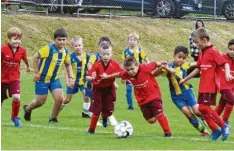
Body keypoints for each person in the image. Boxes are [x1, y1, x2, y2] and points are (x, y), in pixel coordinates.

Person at [180, 28, 233, 141]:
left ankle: (224, 126)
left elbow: (225, 64)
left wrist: (227, 73)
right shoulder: (201, 53)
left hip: (210, 86)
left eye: (197, 42)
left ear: (204, 40)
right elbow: (198, 69)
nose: (196, 45)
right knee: (202, 110)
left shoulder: (213, 52)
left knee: (204, 107)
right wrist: (186, 79)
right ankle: (215, 130)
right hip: (202, 86)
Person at [101, 57, 172, 137]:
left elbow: (156, 63)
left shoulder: (145, 67)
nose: (130, 72)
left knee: (159, 114)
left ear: (137, 65)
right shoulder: (127, 74)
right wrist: (107, 76)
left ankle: (168, 133)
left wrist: (164, 64)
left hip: (154, 96)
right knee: (150, 120)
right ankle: (158, 115)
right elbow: (119, 74)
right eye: (128, 70)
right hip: (142, 100)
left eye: (132, 69)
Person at [152, 46, 209, 136]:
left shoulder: (185, 65)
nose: (181, 60)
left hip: (187, 93)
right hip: (176, 97)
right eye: (179, 57)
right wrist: (163, 67)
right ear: (174, 56)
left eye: (184, 58)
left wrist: (208, 60)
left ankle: (208, 119)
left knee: (197, 111)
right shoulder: (168, 67)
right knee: (189, 114)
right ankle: (204, 131)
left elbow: (197, 63)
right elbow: (154, 74)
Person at [23, 28, 74, 123]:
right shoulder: (48, 49)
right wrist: (36, 72)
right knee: (40, 101)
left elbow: (68, 64)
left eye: (63, 39)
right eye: (59, 39)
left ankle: (53, 118)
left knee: (60, 99)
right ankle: (27, 109)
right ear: (54, 40)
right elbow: (35, 57)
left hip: (55, 79)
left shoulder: (65, 52)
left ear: (66, 40)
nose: (61, 42)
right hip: (42, 79)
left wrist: (71, 78)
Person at [86, 41, 122, 134]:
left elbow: (122, 74)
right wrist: (91, 77)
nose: (106, 56)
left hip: (109, 89)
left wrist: (123, 79)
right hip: (98, 90)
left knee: (108, 110)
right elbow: (87, 76)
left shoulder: (114, 64)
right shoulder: (97, 64)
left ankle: (105, 118)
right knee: (96, 110)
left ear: (111, 53)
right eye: (104, 54)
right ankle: (91, 130)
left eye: (108, 54)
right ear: (100, 54)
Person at [1, 27, 30, 127]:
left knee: (16, 97)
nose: (17, 41)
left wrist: (28, 66)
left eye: (19, 39)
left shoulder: (22, 51)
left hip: (14, 78)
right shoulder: (2, 49)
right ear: (8, 39)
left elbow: (25, 59)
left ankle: (15, 117)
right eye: (14, 39)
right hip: (2, 78)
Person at [60, 36, 91, 118]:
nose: (78, 47)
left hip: (83, 81)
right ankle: (56, 110)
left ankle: (85, 113)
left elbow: (89, 68)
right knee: (67, 100)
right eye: (76, 46)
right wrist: (67, 80)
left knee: (87, 96)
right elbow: (67, 70)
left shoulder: (87, 56)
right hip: (73, 82)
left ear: (82, 45)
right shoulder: (70, 57)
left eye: (79, 45)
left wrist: (92, 76)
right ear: (72, 47)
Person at [121, 32, 150, 110]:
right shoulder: (125, 52)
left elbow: (147, 60)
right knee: (128, 90)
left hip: (139, 74)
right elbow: (123, 64)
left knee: (142, 90)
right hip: (129, 74)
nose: (132, 41)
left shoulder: (140, 51)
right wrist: (122, 76)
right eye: (131, 39)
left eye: (134, 40)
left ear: (137, 42)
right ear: (128, 41)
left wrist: (148, 68)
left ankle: (146, 103)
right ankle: (130, 106)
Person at [215, 39, 234, 126]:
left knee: (221, 105)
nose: (232, 52)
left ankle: (211, 119)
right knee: (232, 100)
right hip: (224, 86)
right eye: (230, 49)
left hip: (231, 87)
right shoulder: (222, 58)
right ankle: (224, 122)